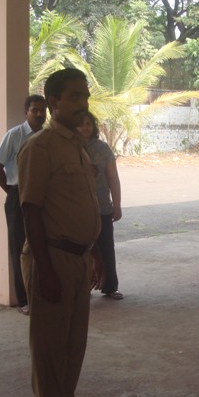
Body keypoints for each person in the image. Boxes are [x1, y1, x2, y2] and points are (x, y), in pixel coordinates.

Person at [18, 68, 101, 397]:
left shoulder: (76, 145)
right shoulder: (40, 147)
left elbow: (80, 206)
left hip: (79, 257)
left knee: (72, 345)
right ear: (53, 102)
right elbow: (30, 210)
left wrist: (93, 253)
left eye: (85, 96)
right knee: (50, 348)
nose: (83, 103)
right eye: (74, 96)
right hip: (51, 257)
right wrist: (46, 269)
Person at [0, 94, 47, 314]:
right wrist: (12, 192)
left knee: (42, 244)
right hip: (17, 195)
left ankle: (41, 294)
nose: (39, 114)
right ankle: (24, 300)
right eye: (35, 110)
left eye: (42, 110)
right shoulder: (14, 136)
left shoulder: (47, 136)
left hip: (43, 197)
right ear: (26, 112)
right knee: (18, 247)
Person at [76, 112, 123, 299]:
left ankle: (110, 286)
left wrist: (117, 204)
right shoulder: (68, 146)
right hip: (78, 209)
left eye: (88, 123)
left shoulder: (103, 148)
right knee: (81, 249)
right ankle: (82, 286)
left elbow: (113, 177)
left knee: (106, 248)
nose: (85, 127)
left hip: (102, 206)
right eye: (81, 124)